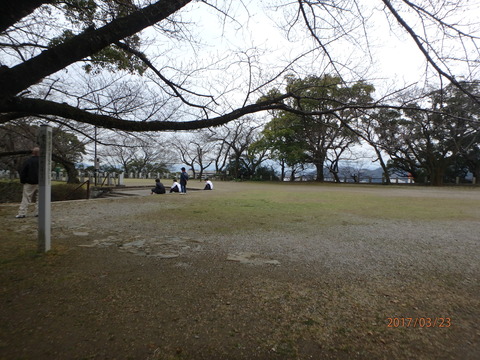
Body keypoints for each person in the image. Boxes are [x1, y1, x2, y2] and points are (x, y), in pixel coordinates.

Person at [16, 147, 40, 218]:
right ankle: (39, 212)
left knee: (26, 198)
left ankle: (22, 213)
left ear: (32, 153)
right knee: (40, 198)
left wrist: (23, 181)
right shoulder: (43, 161)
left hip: (29, 182)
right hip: (40, 182)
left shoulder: (28, 161)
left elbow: (23, 172)